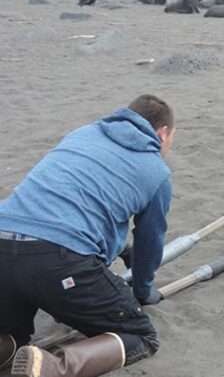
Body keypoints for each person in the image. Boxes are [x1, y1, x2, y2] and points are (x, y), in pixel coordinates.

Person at [0, 94, 175, 376]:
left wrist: (122, 249)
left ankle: (5, 347)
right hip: (56, 259)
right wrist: (143, 292)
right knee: (140, 336)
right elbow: (150, 242)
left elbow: (69, 205)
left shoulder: (82, 135)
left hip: (3, 241)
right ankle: (52, 367)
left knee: (12, 330)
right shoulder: (156, 171)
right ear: (163, 133)